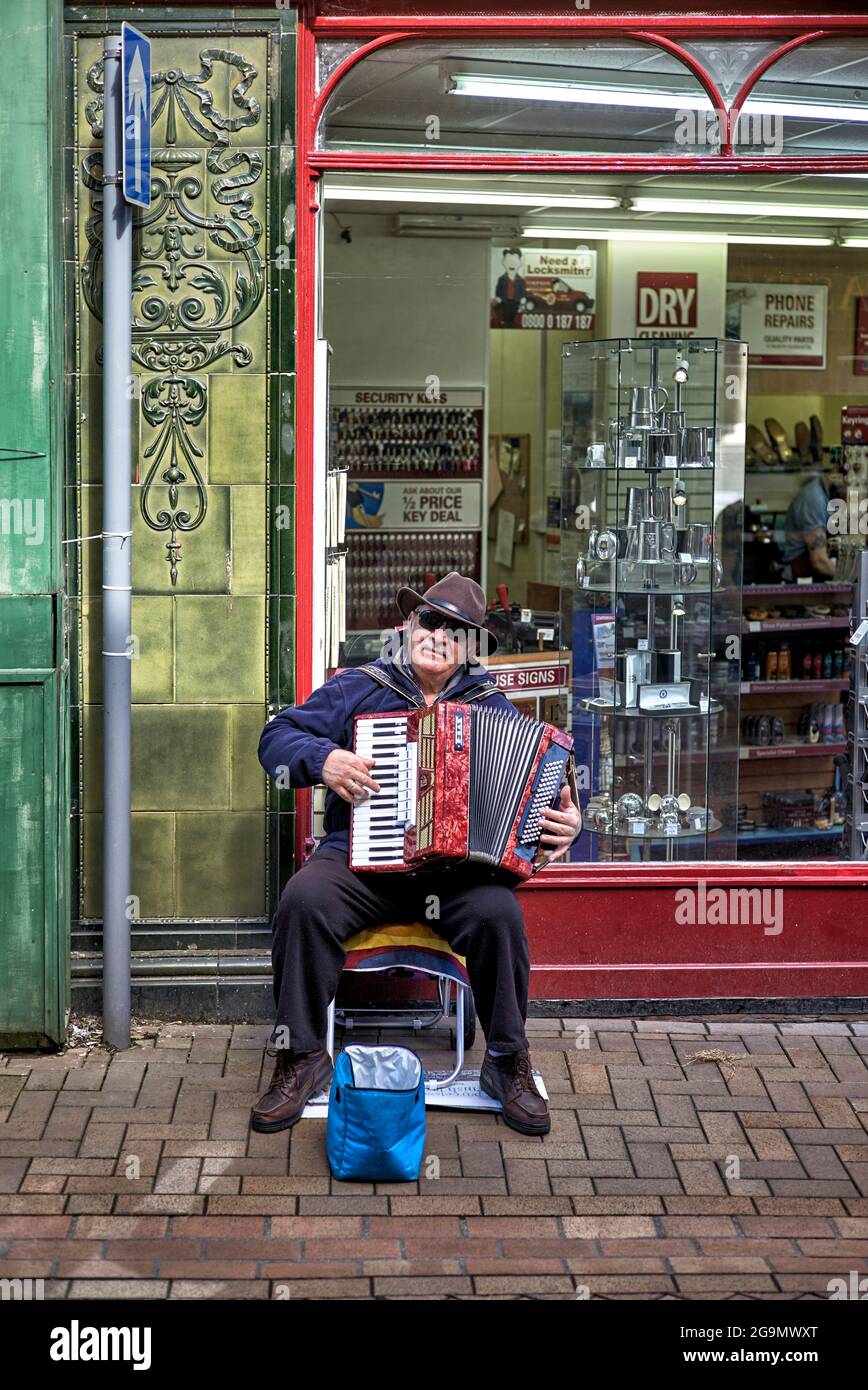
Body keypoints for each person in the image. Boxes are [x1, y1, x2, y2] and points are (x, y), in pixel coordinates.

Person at [252, 573, 581, 1137]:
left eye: (455, 632)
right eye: (431, 621)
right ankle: (302, 1057)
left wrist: (566, 826)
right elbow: (275, 738)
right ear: (409, 625)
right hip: (359, 858)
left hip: (453, 874)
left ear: (469, 647)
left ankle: (507, 1063)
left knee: (499, 915)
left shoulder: (491, 707)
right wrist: (325, 760)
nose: (438, 636)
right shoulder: (359, 687)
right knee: (303, 900)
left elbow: (541, 797)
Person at [782, 471, 841, 579]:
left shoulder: (824, 494)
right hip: (802, 574)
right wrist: (849, 581)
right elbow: (819, 562)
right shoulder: (814, 499)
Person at [491, 247, 527, 327]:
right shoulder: (501, 279)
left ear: (520, 263)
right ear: (503, 262)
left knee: (514, 313)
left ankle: (512, 323)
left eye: (514, 261)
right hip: (505, 301)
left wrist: (522, 298)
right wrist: (498, 297)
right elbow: (498, 289)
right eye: (508, 261)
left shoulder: (521, 280)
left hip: (516, 301)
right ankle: (505, 322)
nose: (511, 264)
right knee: (505, 313)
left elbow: (523, 291)